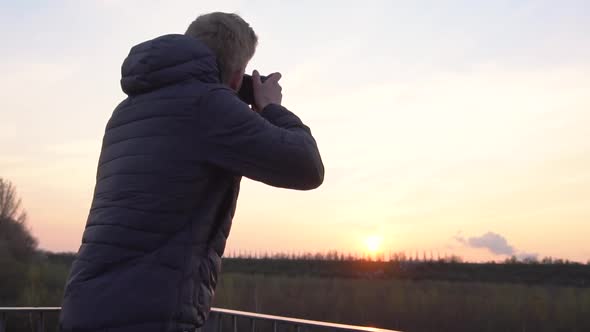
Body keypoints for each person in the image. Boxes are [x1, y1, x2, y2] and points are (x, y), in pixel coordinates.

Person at [59, 12, 324, 332]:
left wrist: (231, 99)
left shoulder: (126, 111)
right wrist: (270, 107)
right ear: (238, 76)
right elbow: (307, 166)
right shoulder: (207, 106)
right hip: (147, 317)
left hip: (86, 308)